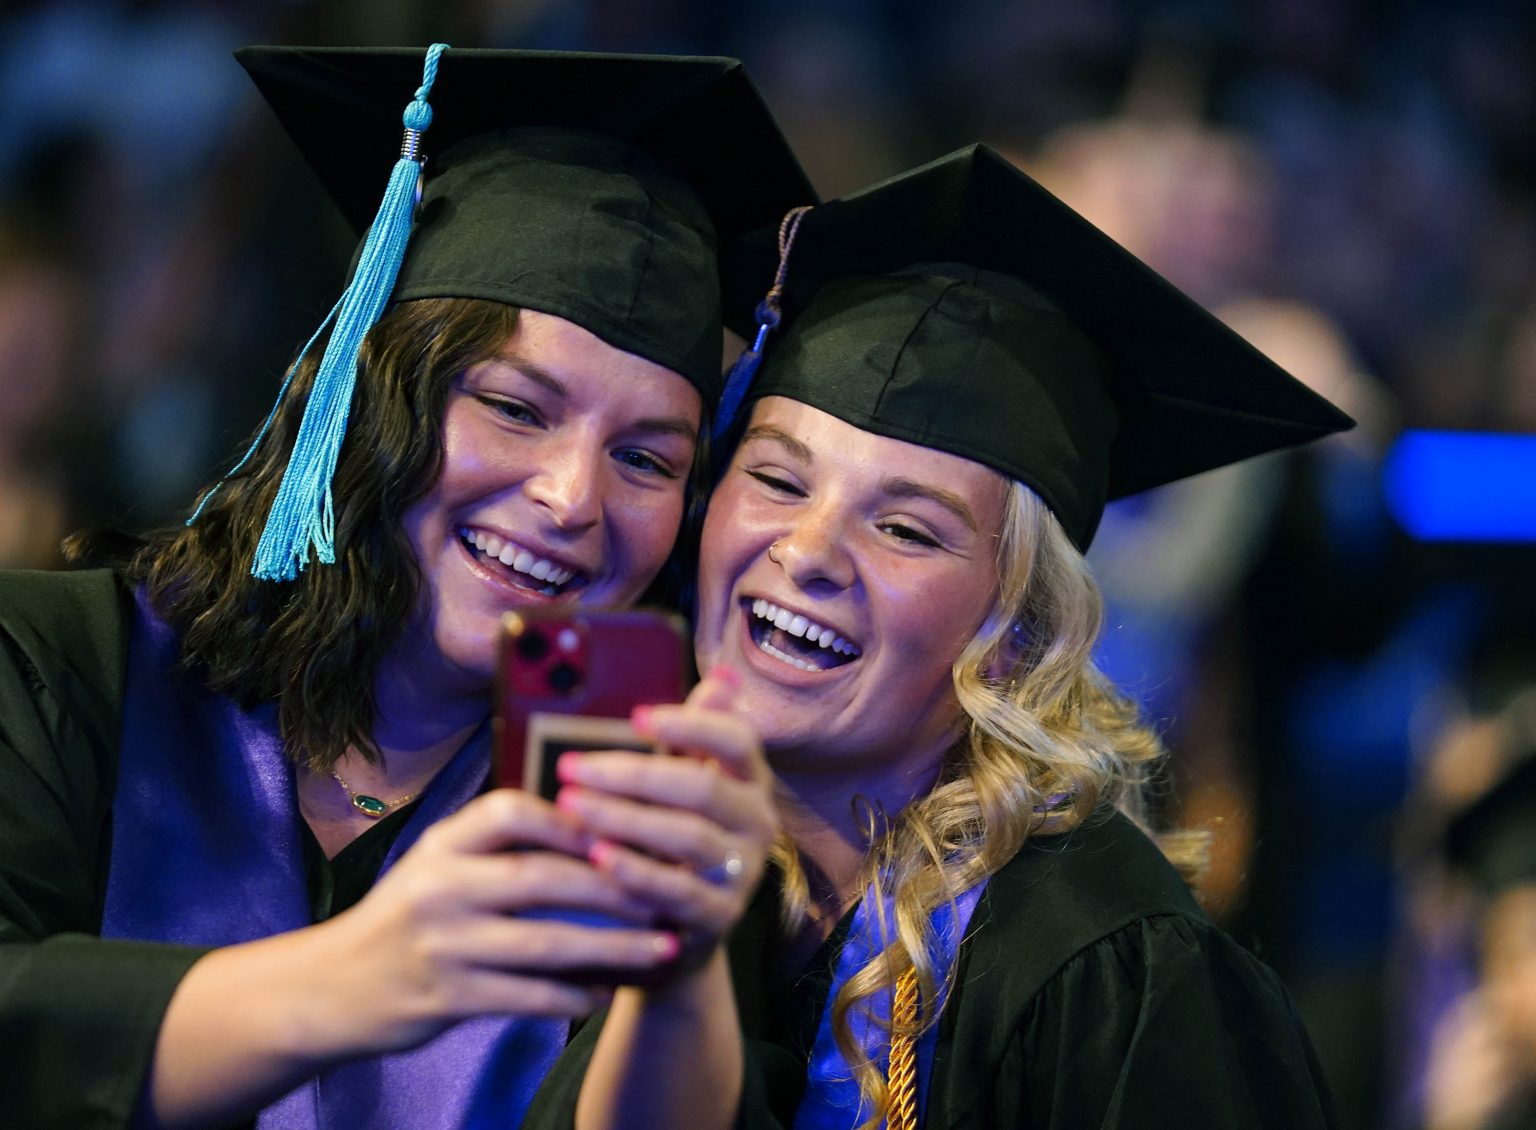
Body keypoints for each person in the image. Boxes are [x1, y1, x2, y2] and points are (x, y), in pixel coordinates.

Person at [0, 44, 811, 1130]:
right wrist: (361, 976)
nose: (574, 497)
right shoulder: (58, 668)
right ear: (369, 394)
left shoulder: (650, 811)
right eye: (516, 408)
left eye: (649, 459)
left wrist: (676, 973)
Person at [524, 143, 1351, 1129]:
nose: (810, 549)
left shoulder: (1109, 977)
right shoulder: (629, 851)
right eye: (779, 480)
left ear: (1019, 622)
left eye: (906, 527)